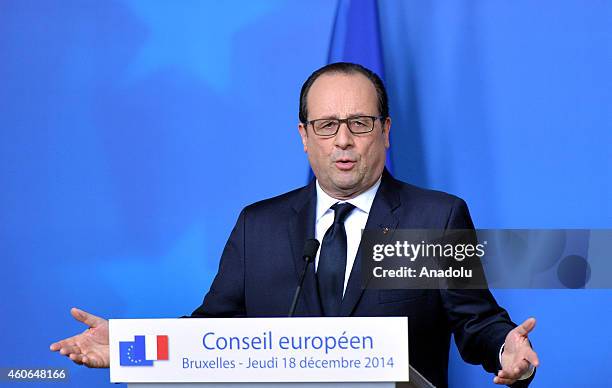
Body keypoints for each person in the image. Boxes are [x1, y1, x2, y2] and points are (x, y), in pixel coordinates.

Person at [51, 62, 539, 387]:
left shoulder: (434, 219)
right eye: (327, 125)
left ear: (386, 132)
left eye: (360, 123)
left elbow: (475, 322)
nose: (343, 140)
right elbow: (210, 333)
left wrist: (505, 347)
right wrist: (130, 349)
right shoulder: (257, 226)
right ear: (304, 137)